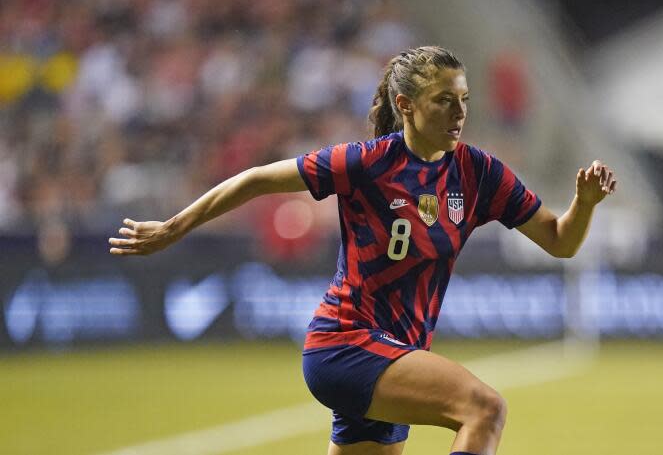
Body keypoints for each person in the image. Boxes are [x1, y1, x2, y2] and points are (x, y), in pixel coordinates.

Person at [109, 46, 617, 455]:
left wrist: (585, 204)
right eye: (445, 100)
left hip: (396, 355)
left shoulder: (479, 172)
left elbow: (560, 241)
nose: (459, 112)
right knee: (484, 409)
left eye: (464, 99)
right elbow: (257, 179)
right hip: (345, 344)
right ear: (407, 106)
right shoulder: (366, 162)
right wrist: (174, 227)